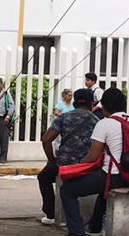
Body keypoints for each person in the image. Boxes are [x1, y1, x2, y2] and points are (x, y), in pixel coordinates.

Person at [56, 86, 129, 236]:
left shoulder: (105, 123)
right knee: (103, 189)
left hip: (112, 175)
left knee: (68, 191)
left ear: (105, 106)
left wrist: (79, 166)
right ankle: (94, 227)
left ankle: (76, 234)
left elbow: (92, 156)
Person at [38, 88, 98, 224]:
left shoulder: (64, 117)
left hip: (63, 165)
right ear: (91, 104)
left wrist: (52, 160)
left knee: (43, 178)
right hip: (87, 165)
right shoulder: (97, 121)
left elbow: (46, 139)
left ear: (75, 102)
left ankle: (51, 214)